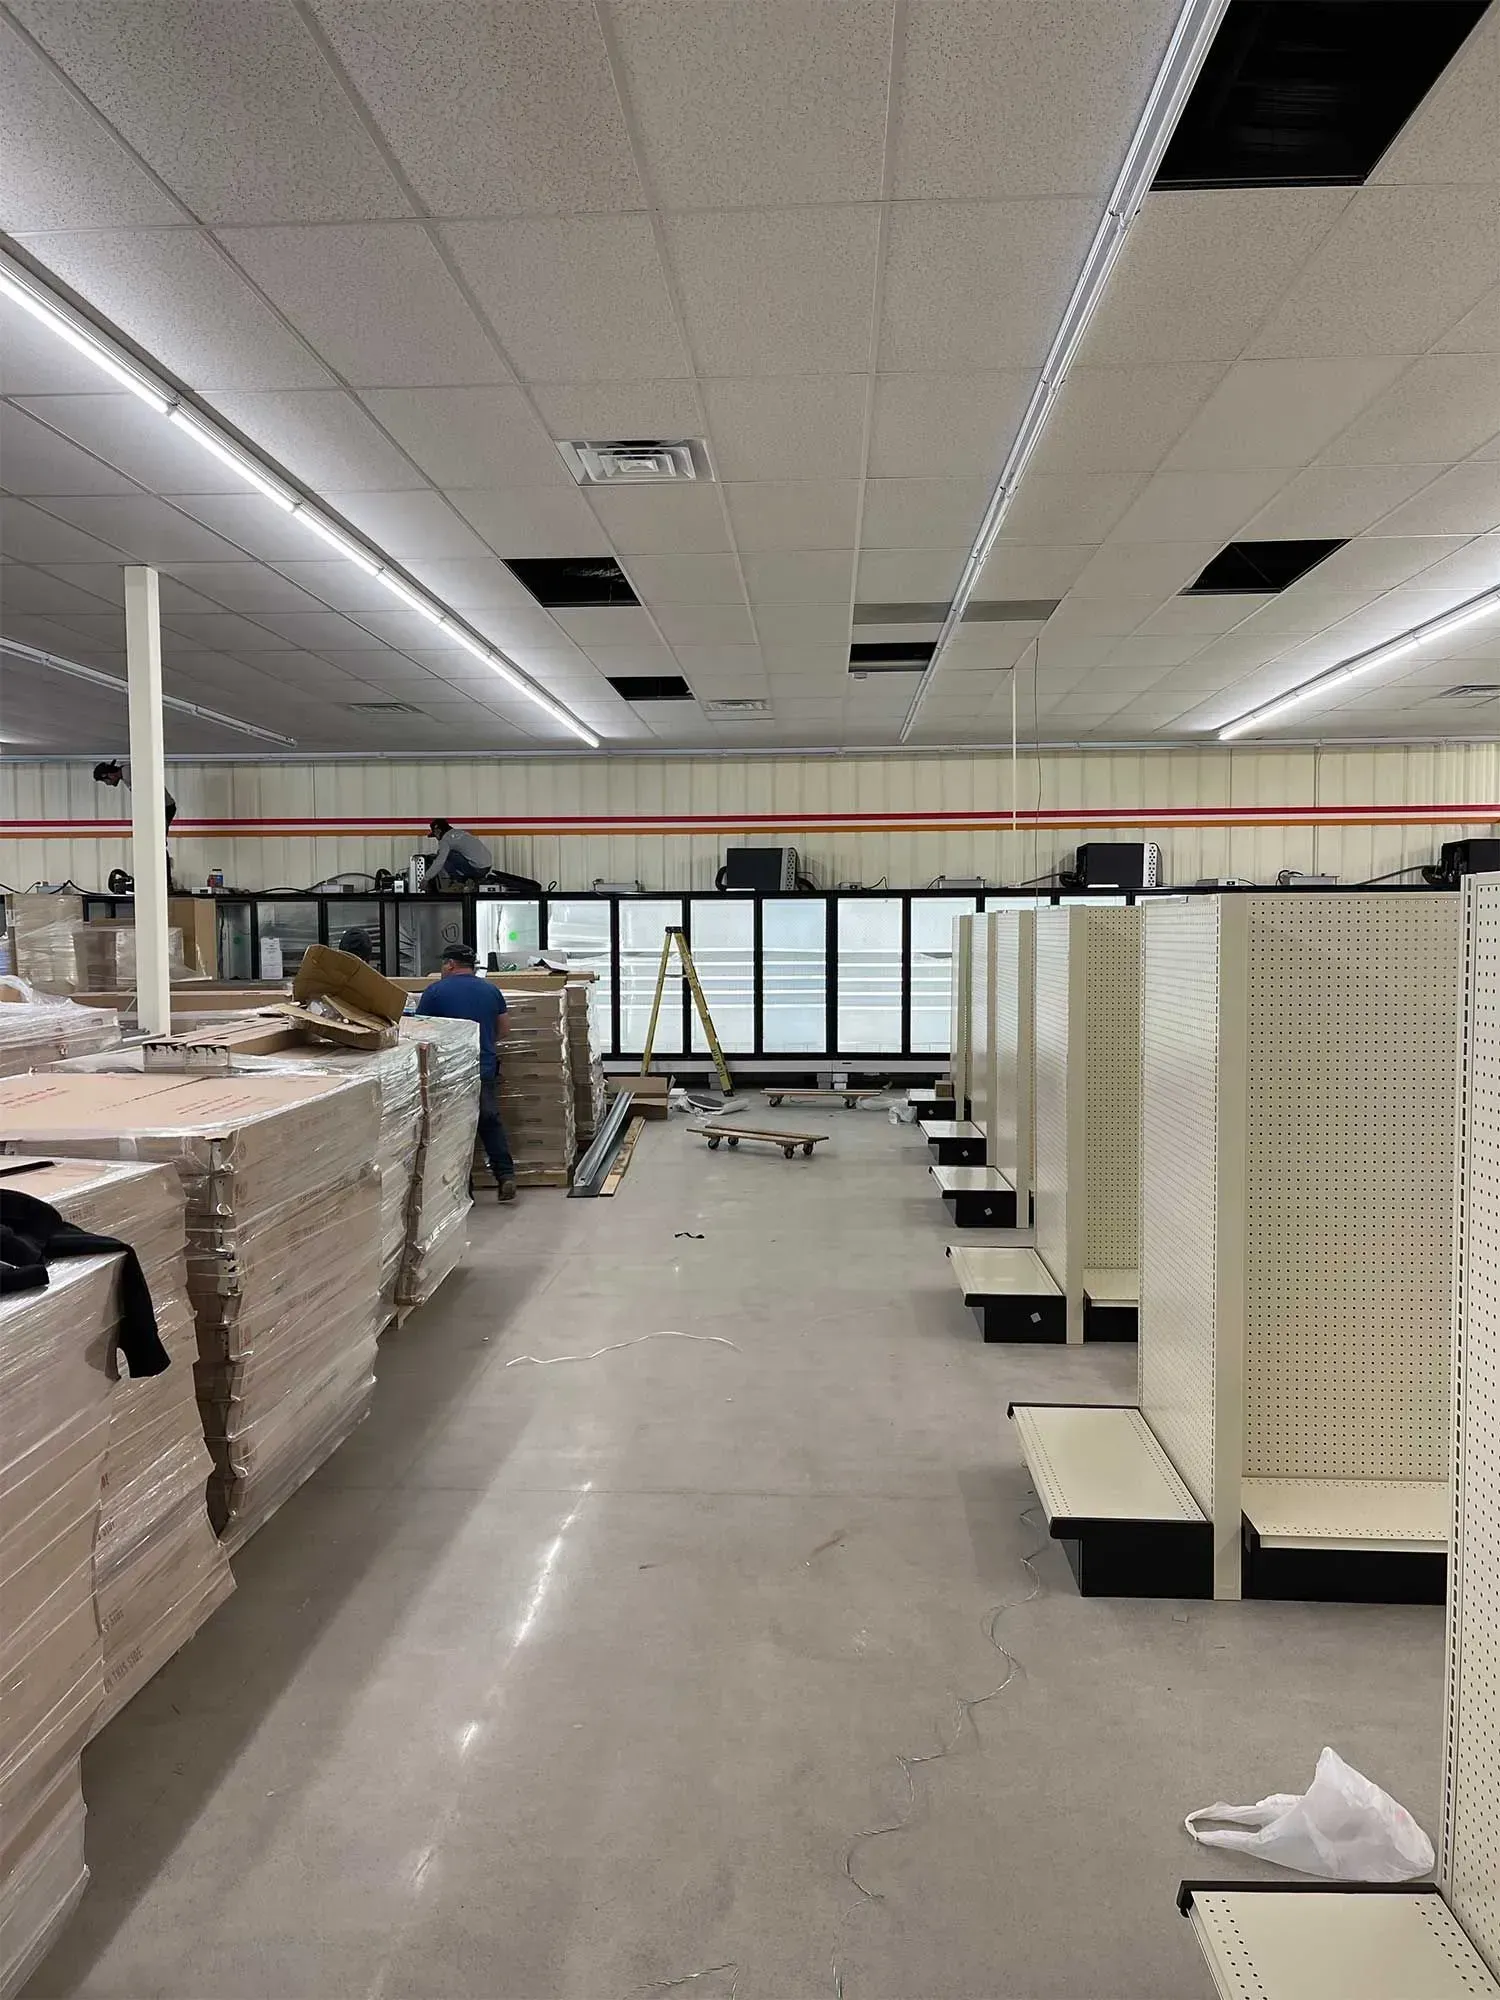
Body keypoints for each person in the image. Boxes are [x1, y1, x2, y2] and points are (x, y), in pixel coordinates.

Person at [416, 944, 516, 1202]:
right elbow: (504, 1029)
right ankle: (505, 1176)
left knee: (455, 1128)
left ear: (450, 964)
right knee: (489, 1121)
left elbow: (420, 1034)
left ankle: (464, 1186)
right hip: (484, 1066)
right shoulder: (491, 990)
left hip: (450, 1072)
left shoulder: (435, 993)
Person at [95, 759, 178, 890]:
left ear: (109, 775)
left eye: (105, 781)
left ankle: (166, 883)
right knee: (154, 844)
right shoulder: (126, 773)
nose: (108, 784)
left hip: (162, 808)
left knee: (159, 845)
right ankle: (161, 881)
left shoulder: (129, 774)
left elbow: (147, 795)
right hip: (160, 808)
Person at [424, 819, 492, 892]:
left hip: (477, 869)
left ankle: (459, 883)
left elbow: (440, 861)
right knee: (452, 853)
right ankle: (476, 880)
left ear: (438, 831)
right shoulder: (461, 832)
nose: (437, 839)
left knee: (445, 855)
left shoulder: (445, 839)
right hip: (487, 866)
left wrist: (426, 879)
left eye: (435, 835)